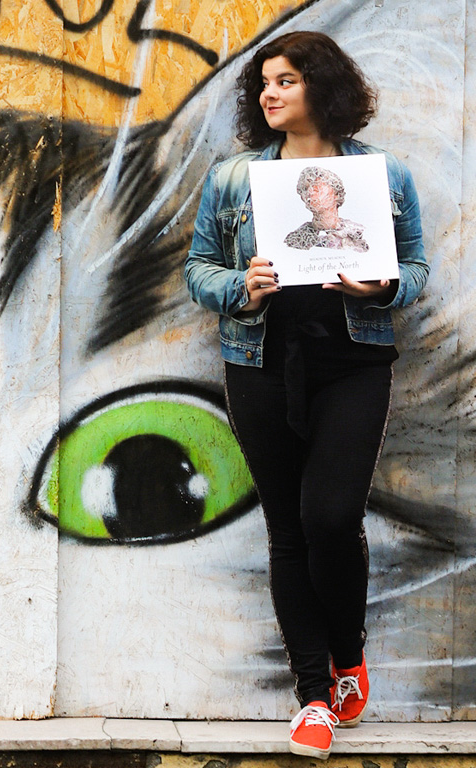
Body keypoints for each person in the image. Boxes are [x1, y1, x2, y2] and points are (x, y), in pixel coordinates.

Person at [184, 31, 428, 760]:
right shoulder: (235, 180)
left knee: (330, 515)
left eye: (287, 79)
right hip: (258, 364)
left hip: (354, 362)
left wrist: (382, 286)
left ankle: (348, 652)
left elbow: (414, 266)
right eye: (265, 83)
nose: (271, 93)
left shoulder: (384, 177)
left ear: (322, 86)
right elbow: (199, 268)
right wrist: (240, 288)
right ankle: (315, 697)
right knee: (287, 530)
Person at [284, 166, 369, 252]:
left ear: (336, 194)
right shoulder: (298, 238)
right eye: (305, 189)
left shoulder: (357, 233)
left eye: (316, 187)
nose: (309, 193)